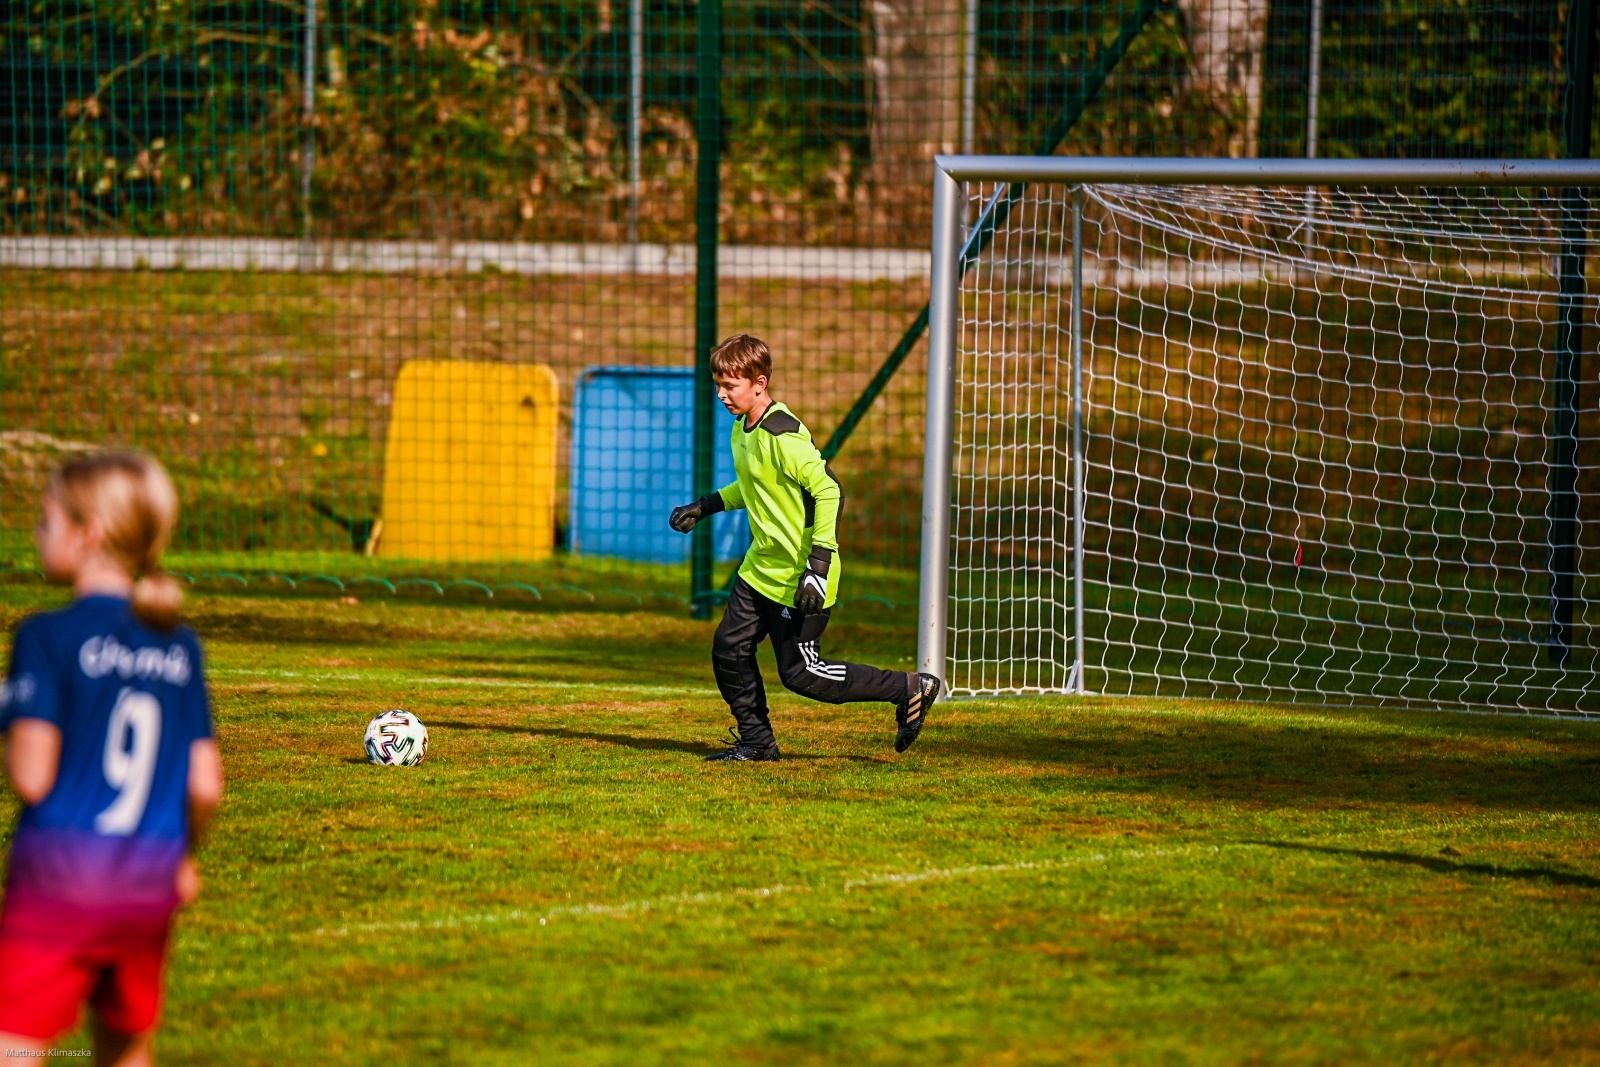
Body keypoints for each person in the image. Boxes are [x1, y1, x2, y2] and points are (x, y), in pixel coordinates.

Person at [0, 452, 223, 1065]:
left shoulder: (46, 636)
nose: (37, 533)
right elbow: (205, 784)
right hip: (146, 883)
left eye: (46, 519)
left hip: (59, 879)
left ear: (88, 533)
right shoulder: (178, 644)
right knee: (125, 1047)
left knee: (14, 1043)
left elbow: (32, 776)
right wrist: (183, 859)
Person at [670, 334, 941, 761]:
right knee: (729, 650)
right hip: (760, 570)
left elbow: (829, 490)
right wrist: (706, 506)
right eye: (718, 384)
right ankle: (757, 743)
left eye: (730, 386)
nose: (721, 394)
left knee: (801, 674)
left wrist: (818, 565)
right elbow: (756, 485)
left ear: (759, 383)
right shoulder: (742, 428)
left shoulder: (783, 434)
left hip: (801, 576)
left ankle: (909, 687)